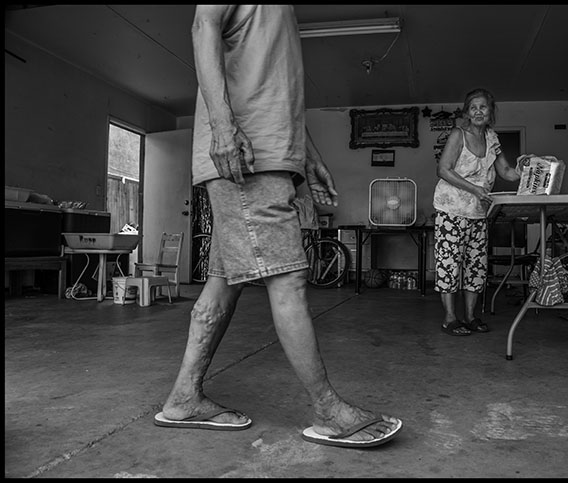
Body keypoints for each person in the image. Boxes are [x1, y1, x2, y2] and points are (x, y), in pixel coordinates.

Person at [153, 5, 402, 448]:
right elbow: (203, 25)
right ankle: (328, 410)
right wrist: (223, 129)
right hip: (248, 159)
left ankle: (184, 398)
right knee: (289, 279)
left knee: (223, 282)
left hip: (268, 155)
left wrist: (308, 156)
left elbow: (277, 95)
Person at [432, 88, 521, 336]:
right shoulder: (458, 135)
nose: (478, 111)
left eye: (483, 107)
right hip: (451, 210)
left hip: (478, 212)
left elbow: (506, 172)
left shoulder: (492, 138)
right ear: (467, 113)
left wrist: (530, 168)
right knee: (450, 264)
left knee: (476, 266)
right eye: (473, 107)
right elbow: (443, 169)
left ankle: (470, 317)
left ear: (491, 111)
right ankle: (450, 319)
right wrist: (475, 189)